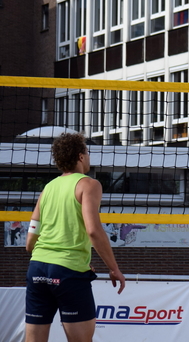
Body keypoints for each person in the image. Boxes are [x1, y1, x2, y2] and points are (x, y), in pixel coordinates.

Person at [25, 132, 126, 342]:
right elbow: (93, 230)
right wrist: (113, 268)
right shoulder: (89, 184)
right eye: (87, 152)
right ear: (80, 157)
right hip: (68, 272)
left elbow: (30, 241)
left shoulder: (48, 188)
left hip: (37, 269)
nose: (88, 157)